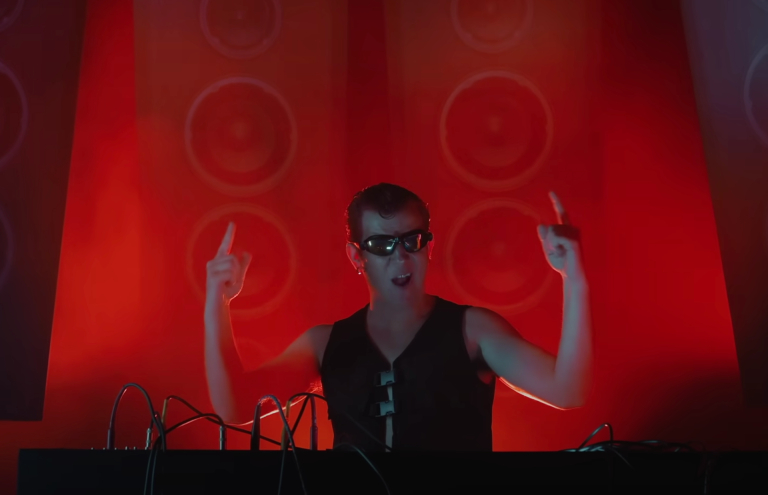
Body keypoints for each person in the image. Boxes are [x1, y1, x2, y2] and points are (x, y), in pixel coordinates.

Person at [204, 183, 592, 452]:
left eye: (412, 240)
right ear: (357, 257)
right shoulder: (325, 343)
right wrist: (216, 303)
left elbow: (567, 390)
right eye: (381, 244)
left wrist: (573, 278)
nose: (401, 256)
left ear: (429, 247)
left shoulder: (473, 329)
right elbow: (235, 406)